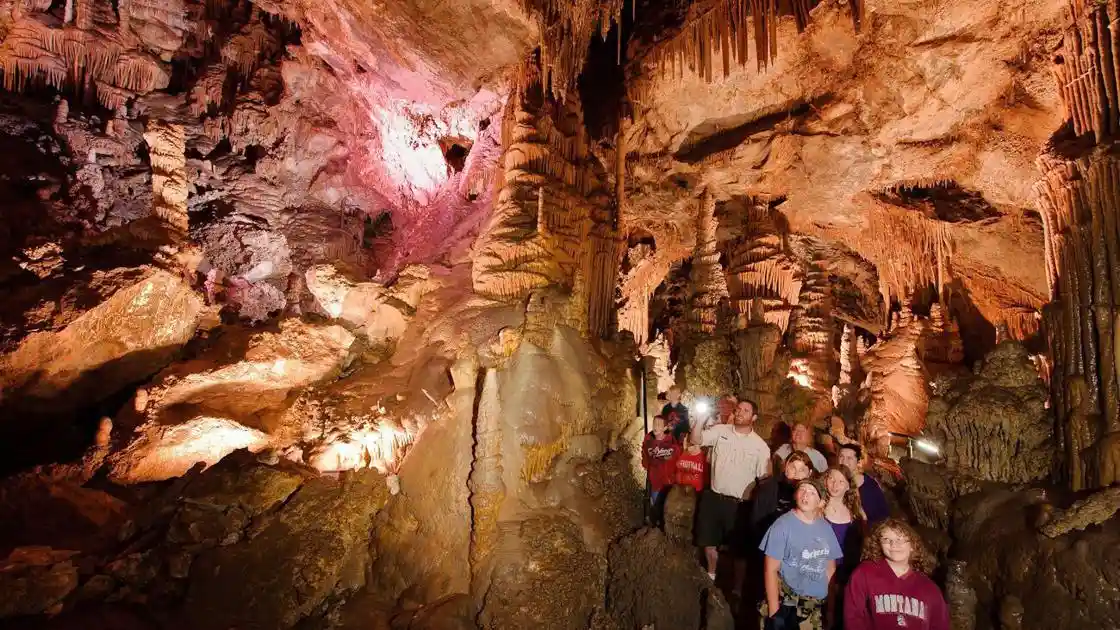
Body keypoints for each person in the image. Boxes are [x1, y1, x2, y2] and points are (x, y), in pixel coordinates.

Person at [691, 398, 771, 586]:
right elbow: (696, 439)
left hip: (739, 504)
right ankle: (711, 576)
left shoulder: (760, 446)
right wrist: (700, 420)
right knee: (708, 540)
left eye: (745, 410)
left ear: (754, 417)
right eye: (738, 409)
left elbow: (765, 478)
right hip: (714, 497)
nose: (740, 412)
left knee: (739, 549)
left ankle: (737, 589)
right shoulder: (720, 432)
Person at [759, 477, 843, 630]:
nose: (805, 495)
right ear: (795, 495)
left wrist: (830, 610)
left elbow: (830, 570)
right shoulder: (782, 525)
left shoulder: (826, 528)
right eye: (802, 490)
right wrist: (774, 611)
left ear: (821, 502)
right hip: (790, 605)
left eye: (812, 493)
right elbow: (770, 569)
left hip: (817, 607)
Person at [844, 519, 949, 630]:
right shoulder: (864, 574)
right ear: (879, 543)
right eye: (886, 540)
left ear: (912, 545)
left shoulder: (929, 588)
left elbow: (940, 625)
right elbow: (853, 618)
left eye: (900, 540)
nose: (894, 545)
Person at [823, 465, 867, 629]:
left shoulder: (856, 512)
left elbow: (861, 545)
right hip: (820, 572)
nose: (835, 485)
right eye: (832, 479)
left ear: (848, 485)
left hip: (846, 574)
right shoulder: (818, 508)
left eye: (841, 481)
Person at [750, 450, 814, 540]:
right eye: (793, 468)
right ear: (786, 467)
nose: (796, 473)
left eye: (802, 470)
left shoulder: (813, 493)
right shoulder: (768, 488)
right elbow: (757, 521)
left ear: (809, 473)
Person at [641, 415, 680, 526]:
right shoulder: (649, 440)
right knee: (656, 504)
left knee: (668, 506)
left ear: (665, 428)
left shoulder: (671, 442)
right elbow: (645, 455)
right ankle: (657, 525)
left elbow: (676, 456)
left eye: (659, 425)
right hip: (655, 479)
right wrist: (647, 464)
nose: (655, 427)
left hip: (669, 481)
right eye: (654, 424)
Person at [837, 445, 890, 525]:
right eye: (841, 456)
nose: (844, 461)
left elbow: (880, 516)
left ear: (858, 462)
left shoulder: (869, 487)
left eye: (849, 458)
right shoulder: (833, 481)